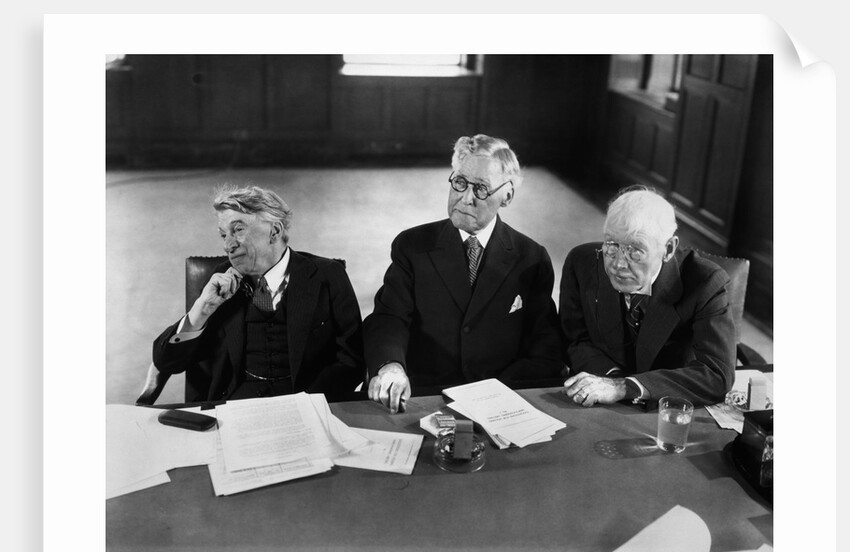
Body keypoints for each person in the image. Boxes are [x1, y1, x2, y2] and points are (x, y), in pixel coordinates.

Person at [364, 134, 564, 414]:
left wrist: (496, 393)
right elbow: (389, 318)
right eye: (460, 182)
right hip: (422, 397)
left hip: (500, 399)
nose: (465, 198)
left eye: (481, 188)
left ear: (507, 196)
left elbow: (545, 346)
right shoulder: (412, 245)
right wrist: (391, 366)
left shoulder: (531, 258)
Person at [152, 184, 364, 401]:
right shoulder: (219, 279)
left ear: (274, 231)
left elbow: (352, 359)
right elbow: (166, 362)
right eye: (223, 235)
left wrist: (310, 402)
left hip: (307, 402)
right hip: (235, 405)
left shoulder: (327, 275)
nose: (228, 245)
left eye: (238, 230)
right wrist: (202, 309)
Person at [559, 185, 736, 407]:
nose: (618, 264)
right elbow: (574, 338)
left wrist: (625, 387)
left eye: (635, 250)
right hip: (601, 397)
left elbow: (716, 375)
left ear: (668, 249)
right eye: (612, 244)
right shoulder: (582, 262)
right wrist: (610, 379)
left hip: (667, 407)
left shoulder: (705, 283)